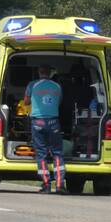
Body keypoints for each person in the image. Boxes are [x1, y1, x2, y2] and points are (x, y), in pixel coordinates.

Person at [24, 64, 66, 193]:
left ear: (39, 72)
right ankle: (59, 185)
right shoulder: (57, 86)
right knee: (57, 153)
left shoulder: (32, 85)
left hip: (38, 122)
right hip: (53, 122)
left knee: (41, 154)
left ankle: (46, 184)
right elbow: (59, 102)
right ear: (50, 73)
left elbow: (25, 102)